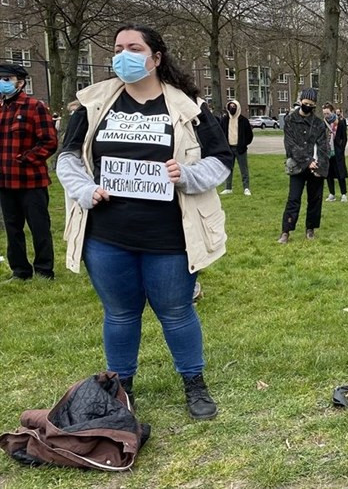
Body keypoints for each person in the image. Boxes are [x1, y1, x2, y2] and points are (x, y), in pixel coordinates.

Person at [56, 23, 233, 418]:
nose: (123, 54)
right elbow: (67, 158)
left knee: (177, 311)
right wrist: (86, 190)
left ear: (156, 57)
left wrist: (185, 176)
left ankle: (194, 384)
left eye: (134, 47)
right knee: (119, 313)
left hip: (169, 236)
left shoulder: (188, 107)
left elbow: (221, 159)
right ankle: (120, 391)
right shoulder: (93, 103)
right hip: (106, 235)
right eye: (118, 47)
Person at [0, 63, 58, 281]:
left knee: (39, 227)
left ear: (20, 82)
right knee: (12, 228)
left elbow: (49, 142)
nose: (2, 83)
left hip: (31, 180)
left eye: (7, 79)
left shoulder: (35, 107)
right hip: (5, 181)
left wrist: (25, 160)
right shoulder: (1, 108)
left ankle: (44, 270)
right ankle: (20, 271)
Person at [278, 88, 329, 243]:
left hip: (315, 168)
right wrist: (307, 161)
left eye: (311, 104)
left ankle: (310, 229)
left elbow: (323, 147)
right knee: (293, 198)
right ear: (300, 102)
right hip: (298, 166)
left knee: (315, 199)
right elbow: (290, 145)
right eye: (306, 103)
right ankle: (286, 231)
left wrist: (320, 167)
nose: (308, 106)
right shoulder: (290, 121)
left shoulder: (319, 124)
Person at [220, 99, 253, 196]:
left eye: (234, 107)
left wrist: (243, 144)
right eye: (230, 107)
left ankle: (246, 188)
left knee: (244, 169)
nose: (232, 109)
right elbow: (221, 133)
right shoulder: (225, 120)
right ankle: (228, 188)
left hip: (240, 149)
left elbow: (249, 135)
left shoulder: (244, 120)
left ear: (238, 107)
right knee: (228, 168)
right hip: (228, 148)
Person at [324, 103, 348, 203]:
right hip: (327, 152)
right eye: (324, 113)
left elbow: (344, 138)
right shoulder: (323, 123)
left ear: (332, 112)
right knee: (329, 174)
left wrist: (341, 149)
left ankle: (343, 194)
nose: (326, 115)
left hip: (337, 152)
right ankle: (332, 194)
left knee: (340, 174)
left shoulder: (340, 123)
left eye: (328, 113)